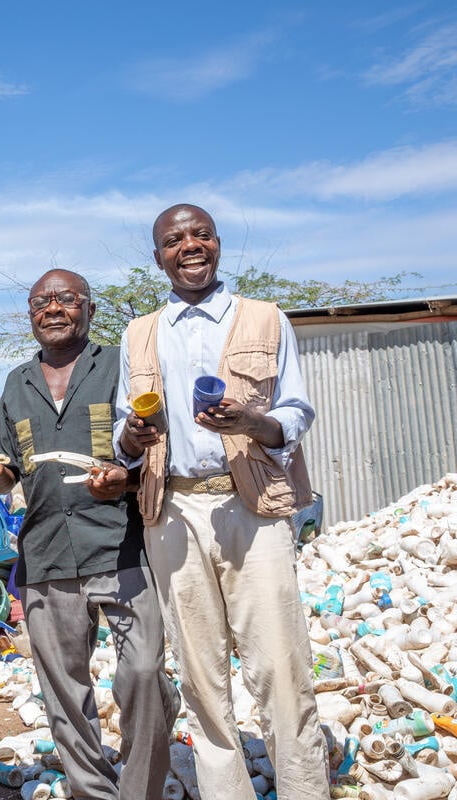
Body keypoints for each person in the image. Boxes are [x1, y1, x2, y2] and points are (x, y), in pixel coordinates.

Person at [114, 204, 329, 798]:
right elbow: (121, 434)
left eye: (200, 235)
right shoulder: (139, 332)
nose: (189, 246)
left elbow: (295, 411)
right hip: (173, 512)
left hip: (251, 507)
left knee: (281, 669)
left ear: (217, 244)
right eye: (173, 239)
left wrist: (251, 420)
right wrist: (132, 436)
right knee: (201, 680)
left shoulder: (264, 317)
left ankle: (303, 788)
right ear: (158, 256)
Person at [0, 268, 179, 799]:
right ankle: (91, 791)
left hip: (122, 545)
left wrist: (125, 477)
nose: (52, 308)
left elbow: (153, 442)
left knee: (145, 673)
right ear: (31, 316)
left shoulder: (119, 365)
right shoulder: (18, 382)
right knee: (63, 691)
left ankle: (140, 791)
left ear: (88, 307)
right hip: (45, 553)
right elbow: (6, 469)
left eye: (65, 298)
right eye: (41, 301)